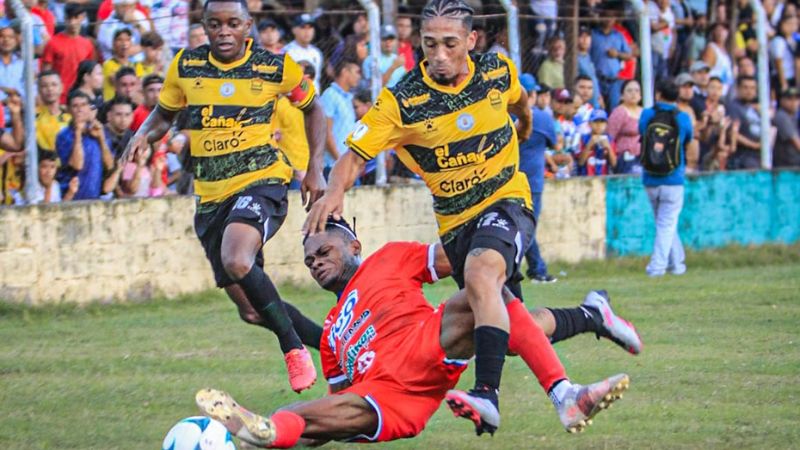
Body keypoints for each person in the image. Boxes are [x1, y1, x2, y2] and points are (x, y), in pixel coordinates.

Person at [305, 0, 561, 434]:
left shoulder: (496, 72)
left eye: (449, 44)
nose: (438, 55)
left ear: (471, 41)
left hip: (506, 200)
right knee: (511, 326)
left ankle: (494, 395)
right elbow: (354, 156)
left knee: (483, 281)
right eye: (429, 45)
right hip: (458, 224)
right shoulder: (403, 100)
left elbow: (518, 99)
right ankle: (595, 316)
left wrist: (524, 122)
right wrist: (334, 189)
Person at [196, 218, 640, 448]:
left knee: (488, 293)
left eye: (323, 250)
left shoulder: (389, 258)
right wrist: (306, 427)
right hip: (389, 397)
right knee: (304, 413)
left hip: (427, 340)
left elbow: (462, 256)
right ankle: (268, 433)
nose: (315, 261)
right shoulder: (331, 333)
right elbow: (338, 409)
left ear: (354, 246)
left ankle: (566, 392)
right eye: (309, 259)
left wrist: (493, 244)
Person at [122, 0, 327, 394]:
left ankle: (293, 348)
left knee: (237, 258)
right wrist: (142, 135)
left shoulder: (275, 67)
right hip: (211, 196)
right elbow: (164, 115)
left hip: (262, 180)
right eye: (215, 24)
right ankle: (334, 347)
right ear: (204, 26)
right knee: (251, 310)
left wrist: (315, 166)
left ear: (248, 25)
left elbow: (313, 109)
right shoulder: (186, 66)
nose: (224, 32)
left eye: (233, 23)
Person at [639, 79, 692, 277]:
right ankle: (657, 268)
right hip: (674, 178)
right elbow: (688, 138)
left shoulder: (647, 114)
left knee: (665, 223)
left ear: (658, 94)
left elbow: (642, 133)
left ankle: (677, 265)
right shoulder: (683, 118)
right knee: (666, 224)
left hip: (650, 178)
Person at [517, 74, 557, 283]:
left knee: (517, 226)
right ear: (533, 94)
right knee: (526, 227)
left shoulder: (504, 115)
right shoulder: (542, 118)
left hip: (507, 180)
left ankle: (535, 268)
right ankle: (537, 270)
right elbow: (554, 143)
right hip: (532, 181)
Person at [56, 91, 116, 201]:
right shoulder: (64, 135)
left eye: (83, 105)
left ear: (89, 108)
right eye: (75, 106)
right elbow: (77, 165)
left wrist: (101, 139)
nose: (79, 109)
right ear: (69, 110)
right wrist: (78, 133)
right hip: (71, 197)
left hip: (95, 196)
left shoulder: (99, 131)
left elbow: (110, 165)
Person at [40, 3, 96, 105]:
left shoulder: (87, 44)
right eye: (69, 18)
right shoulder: (53, 43)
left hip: (81, 99)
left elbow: (90, 72)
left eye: (76, 18)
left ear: (82, 18)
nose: (72, 22)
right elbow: (45, 73)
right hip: (58, 99)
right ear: (65, 19)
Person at [320, 60, 361, 177]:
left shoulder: (347, 98)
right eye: (356, 72)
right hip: (333, 165)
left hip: (347, 165)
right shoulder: (330, 95)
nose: (359, 76)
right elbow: (325, 132)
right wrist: (340, 161)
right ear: (345, 72)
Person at [590, 18, 633, 109]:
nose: (608, 20)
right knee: (597, 107)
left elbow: (629, 55)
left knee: (615, 108)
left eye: (611, 17)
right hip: (597, 79)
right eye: (606, 16)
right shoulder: (593, 34)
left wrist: (617, 54)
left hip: (614, 80)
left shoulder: (618, 36)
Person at [607, 79, 643, 174]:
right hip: (625, 158)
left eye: (636, 91)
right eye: (629, 91)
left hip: (642, 157)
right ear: (622, 95)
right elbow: (610, 137)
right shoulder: (619, 112)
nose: (633, 94)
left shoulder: (644, 112)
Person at [725, 75, 761, 169]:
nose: (749, 91)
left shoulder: (754, 109)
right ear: (738, 89)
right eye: (745, 87)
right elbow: (732, 133)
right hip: (743, 158)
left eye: (752, 88)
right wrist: (755, 145)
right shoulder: (733, 107)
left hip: (757, 157)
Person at [284, 13, 323, 91]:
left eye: (310, 28)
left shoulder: (317, 53)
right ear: (294, 30)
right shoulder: (287, 52)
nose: (307, 31)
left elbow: (316, 80)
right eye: (303, 27)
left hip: (314, 98)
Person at [36, 71, 71, 153]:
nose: (50, 89)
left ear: (61, 87)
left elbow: (92, 107)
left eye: (54, 85)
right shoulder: (32, 117)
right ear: (38, 90)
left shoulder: (70, 116)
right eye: (44, 86)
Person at [702, 23, 734, 95]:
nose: (720, 33)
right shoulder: (711, 48)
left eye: (723, 30)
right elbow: (705, 70)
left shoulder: (726, 51)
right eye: (717, 30)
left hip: (724, 90)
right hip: (713, 91)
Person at [772, 87, 800, 167]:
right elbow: (796, 143)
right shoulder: (781, 116)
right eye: (789, 99)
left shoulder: (794, 117)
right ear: (782, 101)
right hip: (786, 166)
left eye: (796, 99)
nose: (793, 103)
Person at [576, 26, 601, 109]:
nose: (585, 39)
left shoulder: (588, 56)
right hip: (583, 103)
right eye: (581, 36)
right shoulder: (575, 58)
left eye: (587, 36)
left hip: (595, 101)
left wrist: (599, 96)